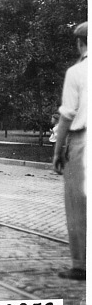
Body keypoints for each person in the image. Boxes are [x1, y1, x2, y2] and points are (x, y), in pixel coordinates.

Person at [53, 21, 87, 281]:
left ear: (80, 43)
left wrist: (57, 150)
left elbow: (67, 116)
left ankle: (81, 265)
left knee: (77, 204)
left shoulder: (77, 72)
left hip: (83, 142)